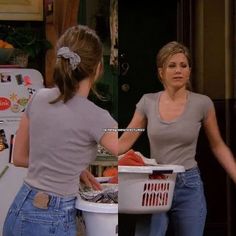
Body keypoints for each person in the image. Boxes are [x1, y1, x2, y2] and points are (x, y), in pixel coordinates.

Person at [3, 25, 118, 236]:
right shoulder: (97, 116)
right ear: (98, 68)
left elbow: (19, 157)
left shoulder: (38, 98)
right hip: (51, 218)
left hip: (19, 209)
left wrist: (69, 168)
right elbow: (126, 150)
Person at [118, 41, 236, 236]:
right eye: (172, 65)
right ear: (161, 72)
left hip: (188, 184)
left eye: (184, 65)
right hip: (155, 185)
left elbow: (218, 146)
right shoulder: (148, 102)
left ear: (189, 71)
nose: (178, 70)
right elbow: (124, 142)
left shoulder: (202, 104)